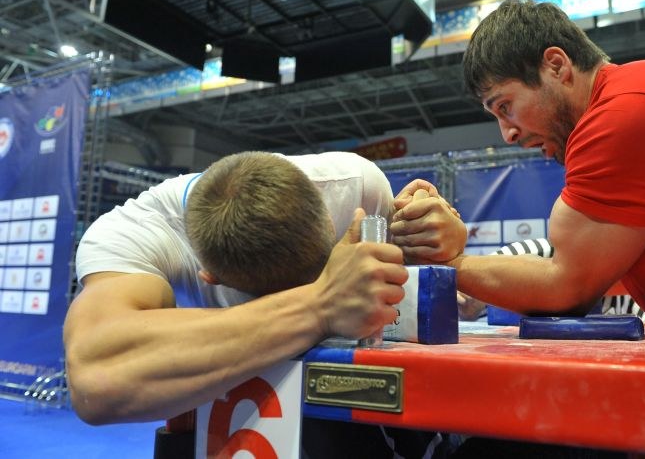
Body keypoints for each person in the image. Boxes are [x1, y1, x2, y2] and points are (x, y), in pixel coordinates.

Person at [391, 0, 645, 457]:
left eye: (505, 106)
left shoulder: (624, 114)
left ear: (556, 65)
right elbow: (568, 265)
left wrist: (451, 260)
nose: (506, 133)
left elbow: (569, 286)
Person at [64, 150, 460, 458]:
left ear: (328, 217)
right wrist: (320, 303)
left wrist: (444, 242)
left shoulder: (354, 185)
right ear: (209, 274)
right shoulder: (135, 232)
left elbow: (410, 283)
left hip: (358, 416)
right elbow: (97, 377)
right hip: (226, 419)